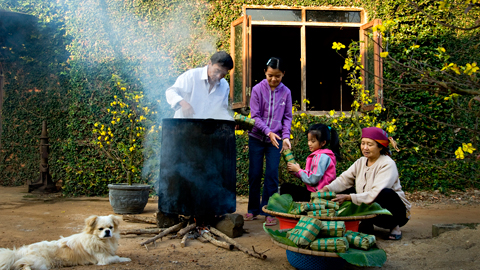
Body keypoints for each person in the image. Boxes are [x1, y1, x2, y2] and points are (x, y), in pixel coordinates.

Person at [318, 127, 411, 240]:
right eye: (363, 143)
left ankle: (394, 226)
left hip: (394, 213)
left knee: (385, 193)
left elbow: (375, 193)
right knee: (344, 191)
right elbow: (344, 180)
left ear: (380, 146)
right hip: (369, 208)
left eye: (370, 144)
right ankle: (367, 223)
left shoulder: (387, 164)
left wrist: (348, 197)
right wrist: (326, 189)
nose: (365, 148)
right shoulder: (361, 162)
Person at [244, 57, 292, 226]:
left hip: (276, 140)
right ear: (265, 72)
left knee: (272, 174)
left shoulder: (286, 92)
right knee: (255, 174)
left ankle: (269, 210)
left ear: (283, 74)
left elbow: (287, 117)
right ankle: (252, 210)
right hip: (257, 138)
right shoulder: (257, 90)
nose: (273, 79)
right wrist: (267, 131)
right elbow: (255, 116)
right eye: (270, 75)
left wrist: (285, 136)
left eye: (277, 76)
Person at [165, 51, 234, 120]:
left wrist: (230, 121)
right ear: (210, 63)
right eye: (217, 71)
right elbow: (170, 92)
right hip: (183, 126)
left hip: (206, 129)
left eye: (223, 74)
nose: (219, 76)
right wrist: (183, 103)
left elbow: (221, 110)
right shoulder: (192, 76)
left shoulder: (224, 85)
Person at [286, 124, 340, 201]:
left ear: (323, 143)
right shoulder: (318, 155)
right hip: (314, 192)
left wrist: (299, 170)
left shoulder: (321, 157)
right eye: (308, 140)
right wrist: (296, 172)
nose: (309, 143)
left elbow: (313, 180)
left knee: (286, 188)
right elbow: (309, 176)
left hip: (319, 195)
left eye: (313, 141)